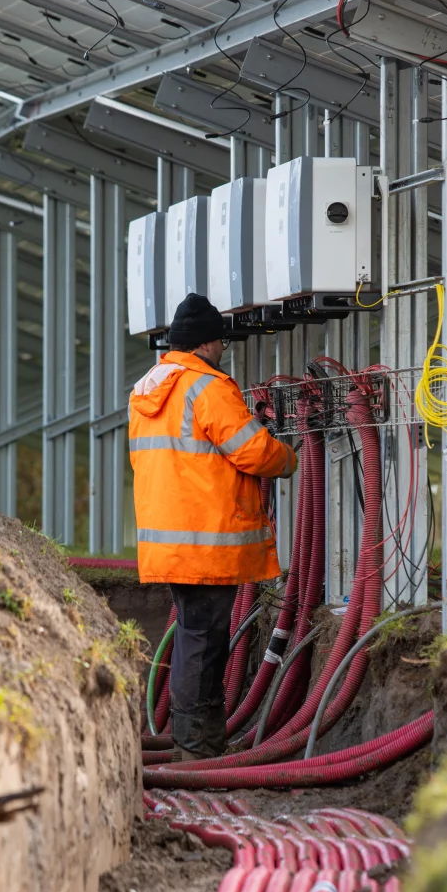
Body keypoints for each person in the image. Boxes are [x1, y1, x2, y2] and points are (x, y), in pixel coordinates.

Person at [129, 292, 298, 757]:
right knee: (204, 643)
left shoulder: (146, 389)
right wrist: (288, 457)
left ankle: (196, 742)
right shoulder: (209, 387)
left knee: (193, 636)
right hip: (208, 541)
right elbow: (252, 451)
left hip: (169, 541)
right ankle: (198, 748)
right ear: (206, 344)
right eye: (221, 343)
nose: (224, 351)